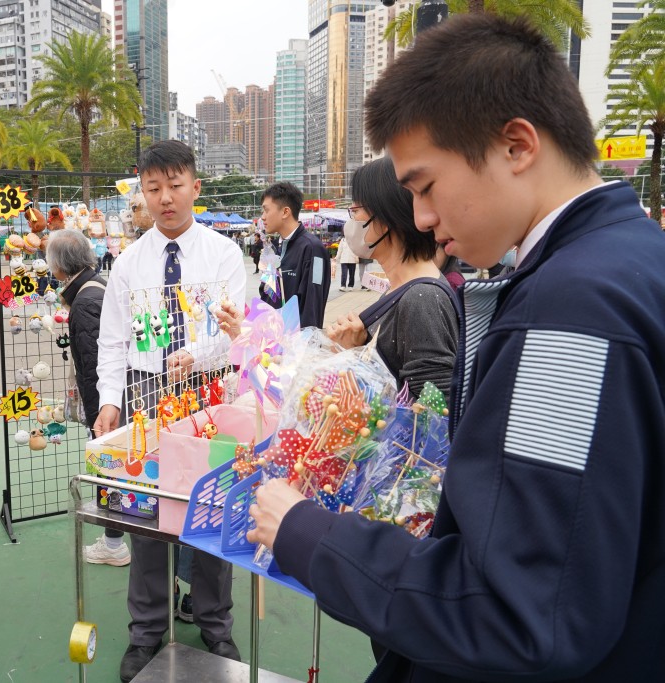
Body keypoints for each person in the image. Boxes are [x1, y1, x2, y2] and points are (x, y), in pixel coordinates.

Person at [249, 14, 665, 682]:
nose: (421, 218)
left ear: (517, 146)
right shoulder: (631, 260)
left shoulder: (572, 308)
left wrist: (310, 535)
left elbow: (521, 610)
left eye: (425, 185)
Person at [94, 140, 245, 681]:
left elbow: (235, 335)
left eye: (175, 186)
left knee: (211, 507)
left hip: (209, 393)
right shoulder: (129, 262)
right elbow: (111, 342)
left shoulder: (225, 255)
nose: (164, 198)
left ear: (195, 188)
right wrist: (111, 402)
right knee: (146, 514)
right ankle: (147, 632)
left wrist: (198, 354)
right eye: (153, 188)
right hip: (145, 395)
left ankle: (214, 625)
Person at [326, 158, 458, 401]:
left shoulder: (423, 298)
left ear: (385, 219)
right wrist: (360, 346)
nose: (351, 223)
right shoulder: (402, 288)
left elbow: (432, 413)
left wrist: (357, 353)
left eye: (356, 212)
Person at [46, 229, 130, 568]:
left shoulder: (85, 300)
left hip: (104, 404)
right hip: (109, 400)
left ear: (60, 265)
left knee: (107, 468)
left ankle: (113, 543)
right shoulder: (94, 287)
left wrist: (97, 415)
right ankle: (115, 539)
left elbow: (97, 365)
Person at [257, 182, 330, 328]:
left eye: (266, 210)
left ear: (285, 212)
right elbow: (268, 293)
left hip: (297, 343)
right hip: (274, 339)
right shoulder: (277, 248)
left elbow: (312, 303)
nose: (262, 217)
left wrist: (305, 345)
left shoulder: (313, 249)